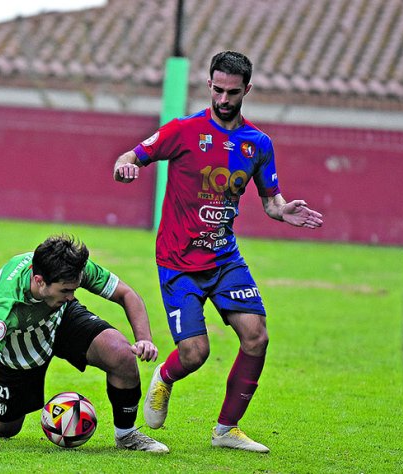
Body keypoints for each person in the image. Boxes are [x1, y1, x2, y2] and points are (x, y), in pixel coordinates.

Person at [112, 51, 324, 453]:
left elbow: (271, 200)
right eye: (218, 89)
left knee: (256, 337)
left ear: (247, 89)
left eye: (233, 92)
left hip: (225, 258)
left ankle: (226, 430)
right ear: (209, 84)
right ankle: (166, 376)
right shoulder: (183, 131)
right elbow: (130, 156)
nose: (224, 99)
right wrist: (127, 167)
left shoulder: (258, 144)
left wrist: (284, 211)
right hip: (178, 261)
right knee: (195, 353)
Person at [0, 235, 169, 453]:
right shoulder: (5, 305)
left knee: (120, 354)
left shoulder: (67, 270)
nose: (73, 295)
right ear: (39, 281)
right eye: (66, 290)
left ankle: (126, 435)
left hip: (61, 318)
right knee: (2, 428)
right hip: (20, 347)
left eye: (75, 288)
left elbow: (126, 294)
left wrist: (144, 337)